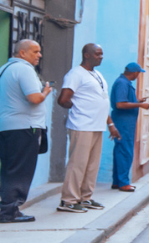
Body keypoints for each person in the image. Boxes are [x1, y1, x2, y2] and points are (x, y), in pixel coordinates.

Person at [57, 44, 121, 213]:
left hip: (97, 125)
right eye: (98, 54)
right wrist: (80, 108)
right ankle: (68, 200)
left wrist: (110, 124)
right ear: (87, 55)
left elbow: (102, 101)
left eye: (102, 54)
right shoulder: (75, 74)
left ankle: (85, 197)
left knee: (92, 165)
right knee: (77, 164)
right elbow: (63, 99)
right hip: (82, 125)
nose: (101, 57)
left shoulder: (96, 74)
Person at [0, 40, 53, 224]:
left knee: (9, 169)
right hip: (24, 128)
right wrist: (46, 91)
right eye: (35, 51)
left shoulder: (5, 69)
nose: (39, 55)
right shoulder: (24, 69)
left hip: (8, 127)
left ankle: (6, 208)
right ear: (22, 53)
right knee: (21, 170)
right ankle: (9, 211)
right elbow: (35, 98)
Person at [110, 63, 149, 192]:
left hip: (125, 122)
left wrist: (137, 101)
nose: (138, 76)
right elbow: (120, 104)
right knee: (125, 151)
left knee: (120, 150)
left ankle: (117, 181)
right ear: (134, 73)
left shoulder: (124, 83)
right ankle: (123, 183)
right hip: (123, 123)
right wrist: (140, 106)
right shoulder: (122, 83)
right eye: (138, 73)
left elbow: (125, 100)